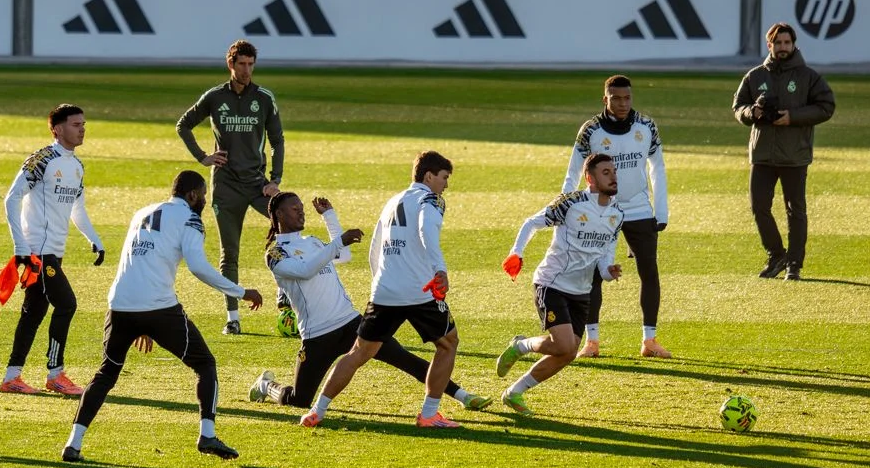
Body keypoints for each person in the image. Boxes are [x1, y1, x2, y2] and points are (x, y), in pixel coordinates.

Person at [60, 170, 264, 463]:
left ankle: (73, 443)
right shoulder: (191, 219)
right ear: (192, 195)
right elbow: (198, 267)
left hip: (121, 305)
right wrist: (240, 291)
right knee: (205, 364)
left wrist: (139, 322)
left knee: (105, 374)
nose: (205, 200)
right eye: (203, 194)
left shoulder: (142, 212)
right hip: (158, 307)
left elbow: (134, 260)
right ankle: (207, 434)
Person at [250, 191, 493, 414]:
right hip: (317, 335)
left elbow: (343, 255)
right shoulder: (275, 253)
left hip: (350, 323)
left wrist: (330, 217)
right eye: (295, 208)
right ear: (279, 214)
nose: (301, 211)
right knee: (300, 400)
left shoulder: (312, 242)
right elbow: (304, 270)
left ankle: (463, 395)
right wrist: (338, 242)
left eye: (302, 207)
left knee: (403, 358)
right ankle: (265, 385)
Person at [299, 151, 463, 429]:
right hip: (419, 291)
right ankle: (429, 414)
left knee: (358, 352)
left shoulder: (392, 202)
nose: (446, 185)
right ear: (429, 176)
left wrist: (378, 285)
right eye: (444, 178)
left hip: (384, 291)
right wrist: (440, 269)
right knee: (448, 343)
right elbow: (427, 231)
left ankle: (317, 410)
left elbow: (375, 248)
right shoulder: (431, 200)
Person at [496, 153, 624, 416]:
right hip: (551, 283)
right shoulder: (571, 203)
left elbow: (603, 260)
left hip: (582, 292)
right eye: (606, 172)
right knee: (564, 345)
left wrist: (609, 272)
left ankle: (515, 392)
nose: (613, 177)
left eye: (614, 172)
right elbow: (531, 222)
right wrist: (516, 252)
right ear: (590, 178)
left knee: (567, 354)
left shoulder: (616, 215)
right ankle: (520, 346)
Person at [176, 39, 284, 335]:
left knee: (290, 230)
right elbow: (183, 124)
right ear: (231, 64)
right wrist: (203, 157)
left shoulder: (263, 98)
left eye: (251, 64)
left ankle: (286, 298)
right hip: (225, 186)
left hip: (258, 184)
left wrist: (275, 180)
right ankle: (233, 318)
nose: (247, 70)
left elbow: (277, 140)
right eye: (242, 64)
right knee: (229, 252)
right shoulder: (214, 97)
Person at [562, 75, 670, 359]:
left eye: (627, 98)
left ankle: (649, 340)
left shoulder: (646, 127)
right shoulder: (591, 130)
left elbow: (657, 167)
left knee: (649, 271)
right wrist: (567, 205)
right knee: (592, 274)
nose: (622, 104)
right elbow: (574, 170)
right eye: (616, 98)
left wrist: (662, 210)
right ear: (605, 99)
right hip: (601, 208)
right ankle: (592, 341)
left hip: (639, 209)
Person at [0, 104, 104, 395]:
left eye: (84, 124)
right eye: (75, 124)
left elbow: (77, 209)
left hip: (53, 252)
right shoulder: (42, 159)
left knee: (33, 313)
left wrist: (94, 239)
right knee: (66, 303)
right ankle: (55, 374)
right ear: (57, 129)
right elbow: (11, 199)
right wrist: (21, 246)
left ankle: (12, 377)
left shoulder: (76, 166)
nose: (82, 128)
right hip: (38, 252)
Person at [732, 22, 836, 281]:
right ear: (770, 45)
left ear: (793, 44)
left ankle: (794, 264)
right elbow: (738, 107)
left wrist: (792, 117)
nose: (782, 47)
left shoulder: (808, 77)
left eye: (787, 43)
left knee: (795, 210)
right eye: (777, 43)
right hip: (763, 154)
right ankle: (776, 254)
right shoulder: (755, 76)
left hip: (794, 154)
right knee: (758, 207)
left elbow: (826, 106)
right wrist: (751, 112)